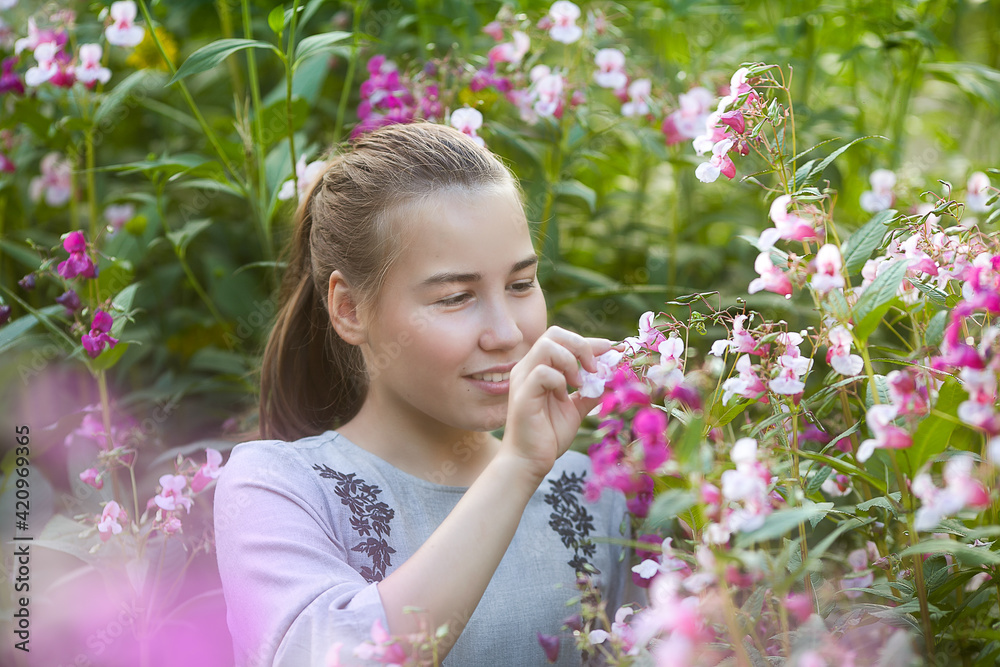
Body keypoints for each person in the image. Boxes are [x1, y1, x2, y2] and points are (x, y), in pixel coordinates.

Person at [214, 122, 638, 667]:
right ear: (350, 309)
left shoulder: (595, 490)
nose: (506, 332)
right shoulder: (277, 487)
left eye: (520, 284)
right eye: (456, 296)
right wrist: (517, 468)